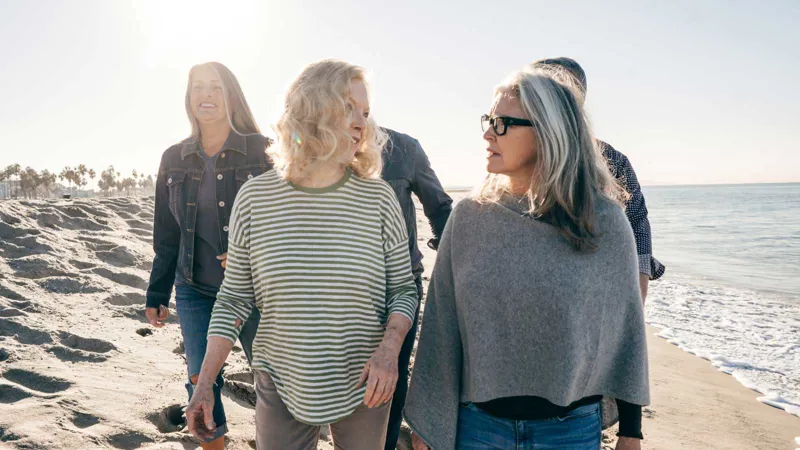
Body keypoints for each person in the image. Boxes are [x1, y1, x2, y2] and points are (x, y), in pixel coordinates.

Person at [404, 67, 650, 450]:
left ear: (546, 133)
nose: (487, 133)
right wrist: (428, 426)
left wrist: (631, 432)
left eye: (502, 124)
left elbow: (626, 334)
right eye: (488, 120)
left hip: (570, 433)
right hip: (477, 429)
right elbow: (442, 327)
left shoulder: (603, 220)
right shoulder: (470, 217)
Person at [184, 59, 419, 450]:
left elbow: (404, 290)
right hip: (280, 375)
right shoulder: (255, 199)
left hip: (366, 378)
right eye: (348, 108)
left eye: (365, 112)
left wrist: (389, 350)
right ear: (312, 110)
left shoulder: (378, 199)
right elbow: (234, 299)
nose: (362, 122)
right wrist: (205, 383)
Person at [144, 61, 272, 450]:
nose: (206, 95)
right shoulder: (174, 158)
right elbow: (166, 233)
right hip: (195, 290)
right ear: (188, 98)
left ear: (230, 94)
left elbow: (288, 219)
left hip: (255, 292)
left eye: (215, 87)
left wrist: (251, 250)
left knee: (271, 379)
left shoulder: (264, 151)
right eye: (198, 87)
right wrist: (156, 294)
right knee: (200, 380)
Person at [530, 57, 665, 303]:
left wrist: (639, 291)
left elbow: (637, 220)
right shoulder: (515, 156)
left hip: (595, 292)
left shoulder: (611, 159)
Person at [380, 128, 452, 450]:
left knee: (392, 381)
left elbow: (439, 208)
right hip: (342, 289)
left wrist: (456, 262)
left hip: (401, 286)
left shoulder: (403, 149)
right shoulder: (319, 145)